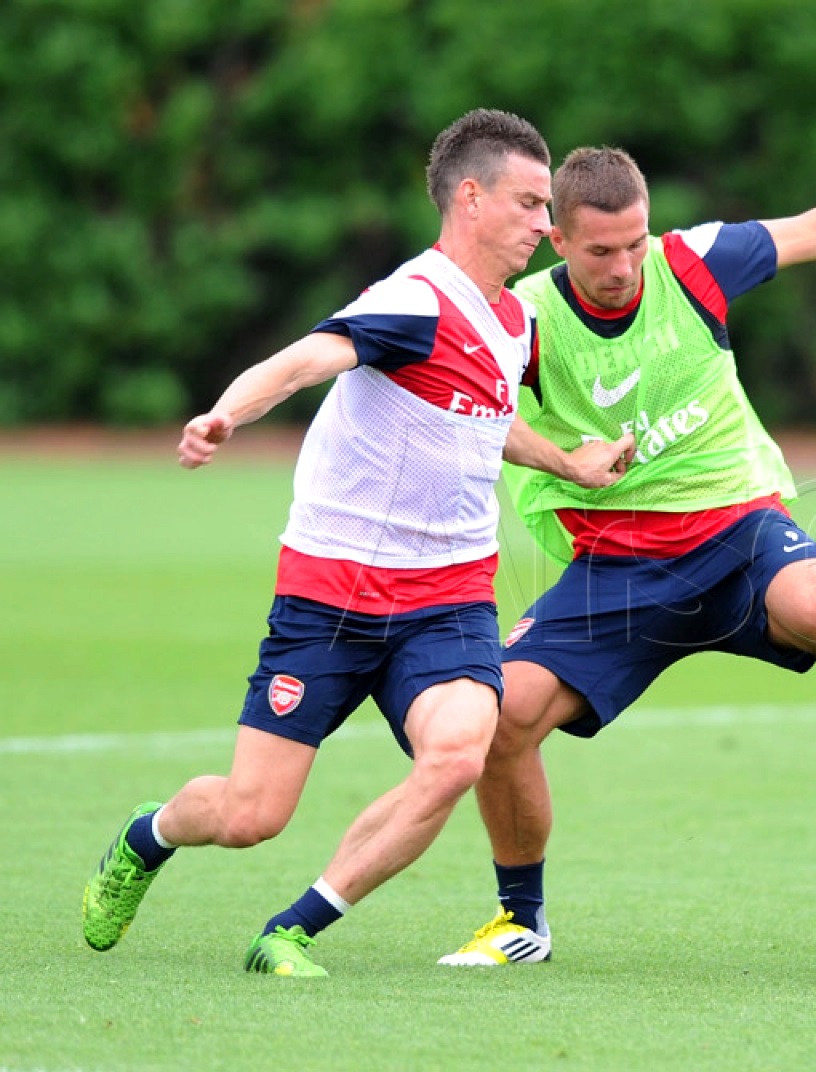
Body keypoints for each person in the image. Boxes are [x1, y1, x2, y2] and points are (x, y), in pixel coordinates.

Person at [435, 145, 816, 966]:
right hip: (618, 567)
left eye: (634, 243)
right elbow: (473, 407)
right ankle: (522, 921)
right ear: (558, 242)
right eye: (601, 250)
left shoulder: (692, 265)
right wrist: (562, 459)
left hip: (738, 533)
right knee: (500, 722)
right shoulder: (521, 316)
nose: (623, 266)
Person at [80, 109, 634, 977]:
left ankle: (292, 930)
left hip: (448, 597)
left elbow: (484, 423)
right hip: (331, 596)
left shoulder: (515, 323)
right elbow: (305, 360)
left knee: (458, 753)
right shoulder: (411, 301)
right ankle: (147, 837)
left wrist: (569, 461)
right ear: (471, 196)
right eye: (530, 204)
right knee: (248, 814)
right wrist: (228, 411)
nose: (546, 225)